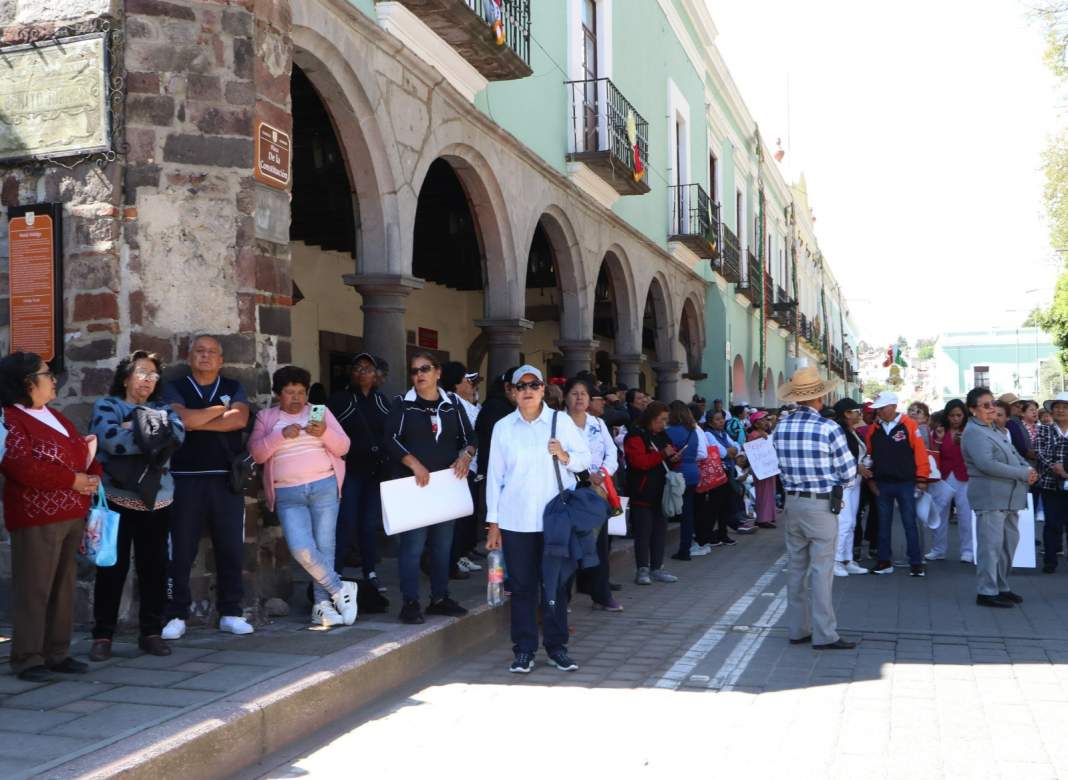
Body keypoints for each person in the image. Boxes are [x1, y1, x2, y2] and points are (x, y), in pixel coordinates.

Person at [0, 353, 101, 681]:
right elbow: (20, 466)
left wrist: (93, 474)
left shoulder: (56, 417)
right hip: (36, 517)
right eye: (47, 373)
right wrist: (72, 480)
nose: (54, 379)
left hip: (71, 512)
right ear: (28, 382)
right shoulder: (11, 419)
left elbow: (79, 451)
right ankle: (28, 658)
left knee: (62, 587)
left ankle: (57, 653)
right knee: (35, 587)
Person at [485, 365, 592, 673]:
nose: (528, 391)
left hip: (554, 521)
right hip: (516, 521)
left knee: (556, 587)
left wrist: (564, 455)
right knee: (522, 588)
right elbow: (495, 477)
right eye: (521, 386)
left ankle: (557, 647)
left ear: (544, 389)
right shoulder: (503, 428)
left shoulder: (561, 423)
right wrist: (493, 523)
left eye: (534, 385)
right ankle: (524, 649)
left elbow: (585, 459)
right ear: (513, 392)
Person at [90, 351, 186, 661]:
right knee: (111, 568)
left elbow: (175, 438)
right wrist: (149, 434)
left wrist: (134, 428)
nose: (148, 380)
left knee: (154, 568)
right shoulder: (107, 406)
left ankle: (151, 633)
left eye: (154, 375)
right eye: (142, 372)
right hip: (118, 496)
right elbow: (109, 440)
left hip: (157, 499)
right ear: (127, 376)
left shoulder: (165, 409)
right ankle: (103, 635)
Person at [161, 335, 254, 639]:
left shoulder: (232, 386)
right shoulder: (175, 386)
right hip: (185, 479)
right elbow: (182, 419)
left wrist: (198, 419)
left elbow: (239, 420)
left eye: (211, 352)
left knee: (231, 548)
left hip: (225, 480)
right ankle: (176, 614)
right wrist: (217, 410)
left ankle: (230, 611)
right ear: (190, 357)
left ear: (220, 359)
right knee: (181, 549)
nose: (205, 356)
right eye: (199, 351)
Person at [250, 366, 358, 626]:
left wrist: (325, 433)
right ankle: (339, 589)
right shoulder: (267, 417)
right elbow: (257, 454)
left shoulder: (320, 412)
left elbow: (344, 446)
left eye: (301, 392)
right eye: (290, 392)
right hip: (288, 492)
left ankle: (322, 606)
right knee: (301, 548)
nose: (296, 398)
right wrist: (278, 436)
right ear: (278, 394)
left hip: (324, 486)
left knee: (325, 548)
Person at [385, 352, 475, 624]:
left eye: (425, 369)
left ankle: (439, 597)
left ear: (437, 373)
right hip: (415, 485)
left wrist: (466, 455)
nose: (419, 375)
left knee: (442, 546)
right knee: (412, 546)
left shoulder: (452, 405)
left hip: (445, 485)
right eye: (414, 371)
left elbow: (470, 437)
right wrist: (414, 464)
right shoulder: (403, 404)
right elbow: (390, 438)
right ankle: (410, 602)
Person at [772, 367, 857, 650]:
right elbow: (848, 471)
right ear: (820, 397)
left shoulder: (781, 426)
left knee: (796, 567)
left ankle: (798, 628)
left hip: (793, 501)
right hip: (820, 503)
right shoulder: (828, 427)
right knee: (822, 569)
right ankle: (825, 633)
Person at [962, 387, 1038, 607]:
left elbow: (1014, 454)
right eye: (985, 405)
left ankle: (1001, 586)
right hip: (990, 497)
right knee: (991, 547)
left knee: (1007, 546)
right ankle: (986, 591)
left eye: (992, 403)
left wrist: (1027, 469)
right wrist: (1022, 473)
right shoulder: (974, 432)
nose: (991, 408)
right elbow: (987, 465)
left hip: (1010, 497)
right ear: (972, 409)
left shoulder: (993, 428)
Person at [327, 352, 392, 592]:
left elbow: (392, 433)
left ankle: (370, 572)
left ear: (376, 375)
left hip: (375, 472)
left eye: (367, 368)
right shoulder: (339, 400)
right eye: (357, 367)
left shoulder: (383, 401)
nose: (361, 371)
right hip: (348, 471)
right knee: (345, 523)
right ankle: (335, 573)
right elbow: (319, 425)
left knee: (368, 525)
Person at [564, 377, 621, 611]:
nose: (579, 398)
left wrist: (603, 473)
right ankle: (563, 598)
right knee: (567, 545)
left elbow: (612, 452)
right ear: (566, 397)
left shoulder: (598, 423)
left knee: (599, 545)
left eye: (584, 394)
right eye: (574, 393)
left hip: (597, 491)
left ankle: (600, 594)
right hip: (569, 490)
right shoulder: (558, 423)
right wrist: (585, 475)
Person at [864, 391, 931, 576]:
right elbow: (869, 456)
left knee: (909, 522)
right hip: (882, 484)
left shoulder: (909, 425)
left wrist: (922, 478)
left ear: (893, 407)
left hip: (905, 483)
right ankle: (884, 561)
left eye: (882, 408)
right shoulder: (873, 429)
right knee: (883, 524)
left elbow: (920, 453)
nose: (878, 412)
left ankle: (916, 562)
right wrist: (870, 480)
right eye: (877, 409)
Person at [624, 402, 680, 585]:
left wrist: (674, 458)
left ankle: (657, 568)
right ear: (650, 418)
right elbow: (639, 462)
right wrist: (662, 454)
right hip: (642, 493)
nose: (663, 424)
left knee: (659, 532)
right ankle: (642, 570)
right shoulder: (635, 436)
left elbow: (667, 459)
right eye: (660, 420)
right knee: (643, 533)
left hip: (661, 493)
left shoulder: (663, 435)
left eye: (665, 420)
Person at [441, 361, 482, 578]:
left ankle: (456, 558)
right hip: (460, 467)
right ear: (457, 383)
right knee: (457, 520)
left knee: (463, 519)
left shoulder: (461, 401)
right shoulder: (454, 401)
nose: (471, 384)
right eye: (467, 380)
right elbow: (475, 428)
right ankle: (451, 562)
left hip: (467, 466)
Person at [926, 399, 974, 564]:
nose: (955, 419)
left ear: (964, 416)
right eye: (952, 415)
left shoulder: (970, 431)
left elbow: (975, 454)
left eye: (959, 415)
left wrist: (965, 443)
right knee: (939, 514)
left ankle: (967, 551)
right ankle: (938, 549)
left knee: (965, 515)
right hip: (943, 476)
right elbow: (933, 455)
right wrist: (938, 440)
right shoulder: (939, 431)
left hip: (964, 476)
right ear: (947, 416)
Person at [832, 398, 871, 577]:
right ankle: (836, 560)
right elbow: (838, 457)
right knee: (844, 522)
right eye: (856, 411)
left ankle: (847, 559)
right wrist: (858, 466)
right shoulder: (840, 432)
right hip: (843, 483)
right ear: (847, 413)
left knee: (852, 522)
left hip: (855, 482)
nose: (859, 414)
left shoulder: (852, 432)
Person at [666, 400, 705, 561]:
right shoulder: (693, 431)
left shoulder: (669, 432)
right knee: (688, 514)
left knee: (668, 508)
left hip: (677, 474)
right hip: (693, 473)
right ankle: (685, 548)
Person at [1036, 392, 1068, 573]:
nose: (1061, 410)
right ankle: (1050, 560)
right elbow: (1040, 453)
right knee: (1052, 523)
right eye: (1057, 407)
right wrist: (1058, 469)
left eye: (1065, 407)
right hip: (1050, 482)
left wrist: (1067, 472)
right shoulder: (1044, 429)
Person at [702, 409, 745, 541]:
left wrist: (732, 451)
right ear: (710, 422)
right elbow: (721, 453)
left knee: (726, 505)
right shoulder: (708, 434)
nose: (721, 422)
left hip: (728, 472)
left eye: (722, 419)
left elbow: (737, 447)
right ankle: (708, 535)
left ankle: (723, 533)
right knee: (716, 506)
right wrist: (731, 452)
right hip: (717, 474)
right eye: (717, 419)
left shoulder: (723, 433)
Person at [747, 411, 778, 529]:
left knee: (770, 492)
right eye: (763, 420)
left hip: (768, 467)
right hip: (760, 468)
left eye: (766, 419)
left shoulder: (764, 433)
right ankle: (762, 518)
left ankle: (768, 516)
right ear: (756, 424)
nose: (766, 422)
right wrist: (761, 437)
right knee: (763, 492)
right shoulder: (754, 434)